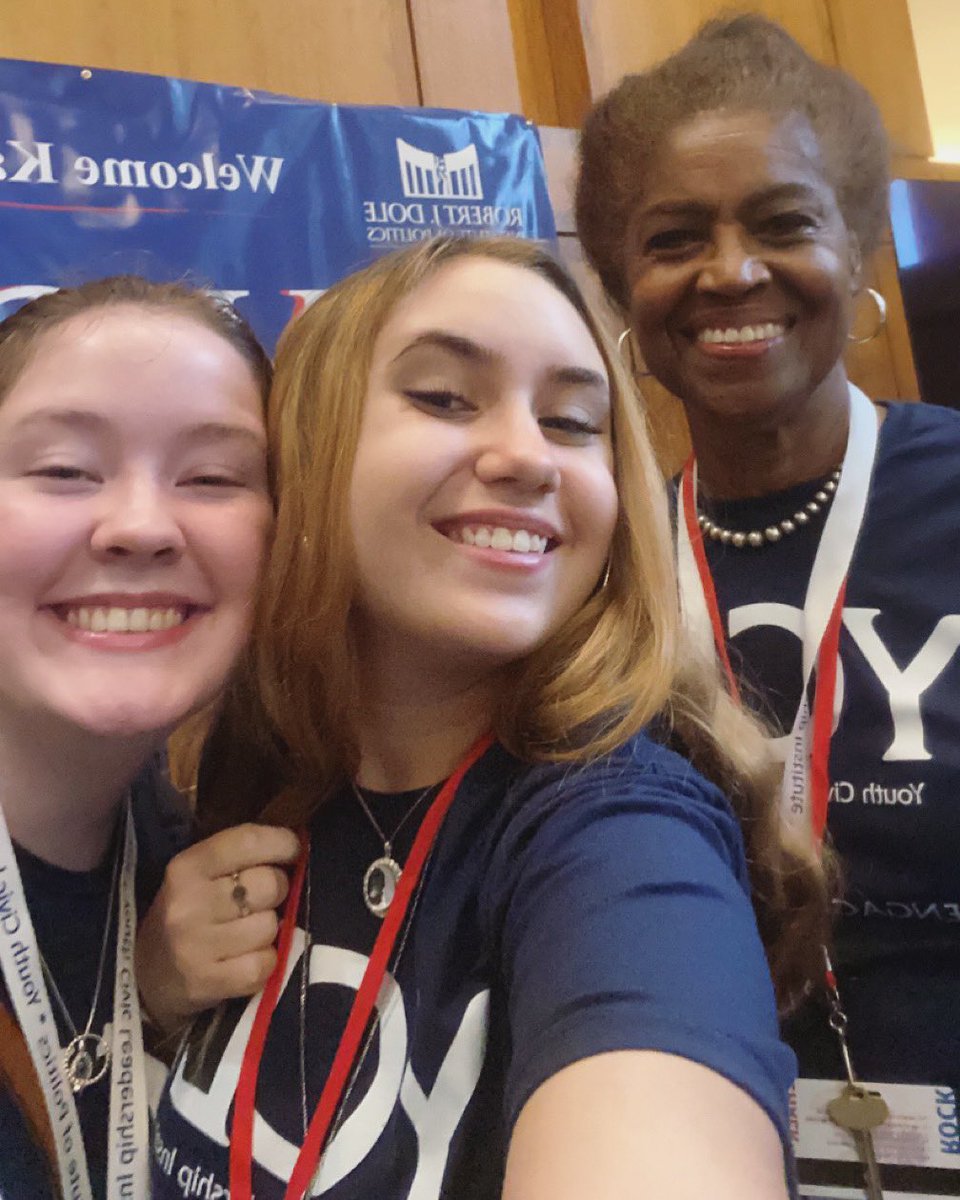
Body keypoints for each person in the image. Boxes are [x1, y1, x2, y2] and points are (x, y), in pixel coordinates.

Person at [144, 235, 829, 1200]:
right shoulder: (235, 769)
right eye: (443, 398)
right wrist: (151, 993)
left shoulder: (620, 831)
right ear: (305, 447)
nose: (526, 457)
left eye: (572, 421)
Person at [576, 6, 960, 1166]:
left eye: (784, 223)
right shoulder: (598, 562)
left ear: (856, 249)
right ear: (623, 289)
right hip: (706, 1135)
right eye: (674, 238)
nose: (733, 271)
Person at [0, 276, 297, 1200]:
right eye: (63, 470)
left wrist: (148, 1002)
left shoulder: (186, 865)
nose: (139, 527)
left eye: (211, 478)